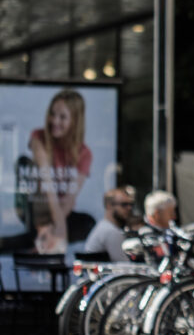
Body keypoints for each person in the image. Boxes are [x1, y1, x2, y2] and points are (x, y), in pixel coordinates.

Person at [28, 89, 93, 247]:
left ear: (75, 120)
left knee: (88, 223)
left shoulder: (84, 153)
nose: (55, 121)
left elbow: (70, 199)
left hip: (60, 214)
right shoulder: (39, 137)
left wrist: (54, 227)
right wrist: (58, 227)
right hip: (37, 211)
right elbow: (47, 184)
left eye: (62, 117)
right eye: (53, 114)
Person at [84, 187, 136, 261]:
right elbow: (124, 264)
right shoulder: (110, 231)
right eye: (124, 204)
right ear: (109, 205)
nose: (129, 208)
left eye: (131, 204)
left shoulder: (104, 227)